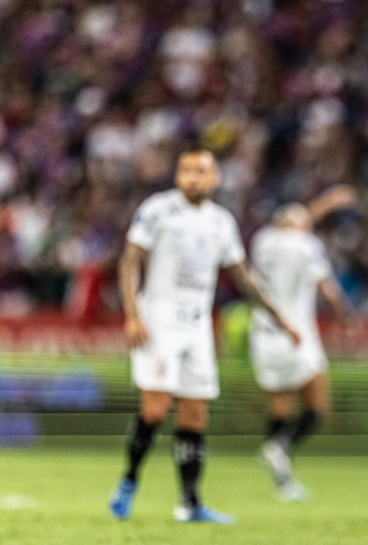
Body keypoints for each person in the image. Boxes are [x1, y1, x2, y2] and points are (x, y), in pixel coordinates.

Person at [109, 148, 300, 524]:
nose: (192, 177)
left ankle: (190, 503)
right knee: (156, 408)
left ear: (215, 179)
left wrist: (280, 318)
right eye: (185, 170)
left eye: (200, 170)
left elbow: (244, 277)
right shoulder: (158, 209)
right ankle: (129, 481)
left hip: (197, 327)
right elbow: (130, 260)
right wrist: (132, 315)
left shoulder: (221, 222)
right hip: (158, 322)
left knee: (195, 416)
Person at [250, 202, 349, 501]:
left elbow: (293, 221)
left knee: (280, 404)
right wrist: (344, 314)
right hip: (297, 333)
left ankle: (283, 482)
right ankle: (277, 447)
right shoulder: (307, 245)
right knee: (317, 407)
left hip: (264, 333)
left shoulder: (262, 240)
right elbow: (327, 288)